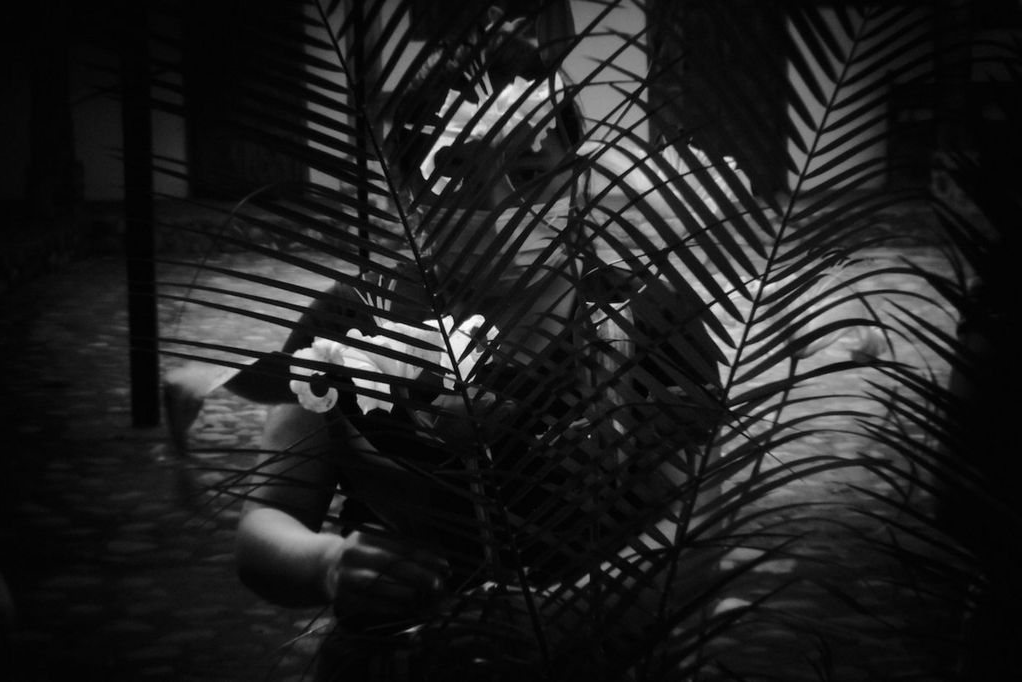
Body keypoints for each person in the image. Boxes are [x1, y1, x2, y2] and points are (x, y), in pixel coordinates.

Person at [172, 8, 729, 680]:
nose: (495, 204)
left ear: (576, 178)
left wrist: (571, 614)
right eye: (454, 172)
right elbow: (265, 531)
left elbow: (701, 535)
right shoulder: (348, 327)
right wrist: (328, 564)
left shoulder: (647, 317)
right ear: (408, 188)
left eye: (529, 173)